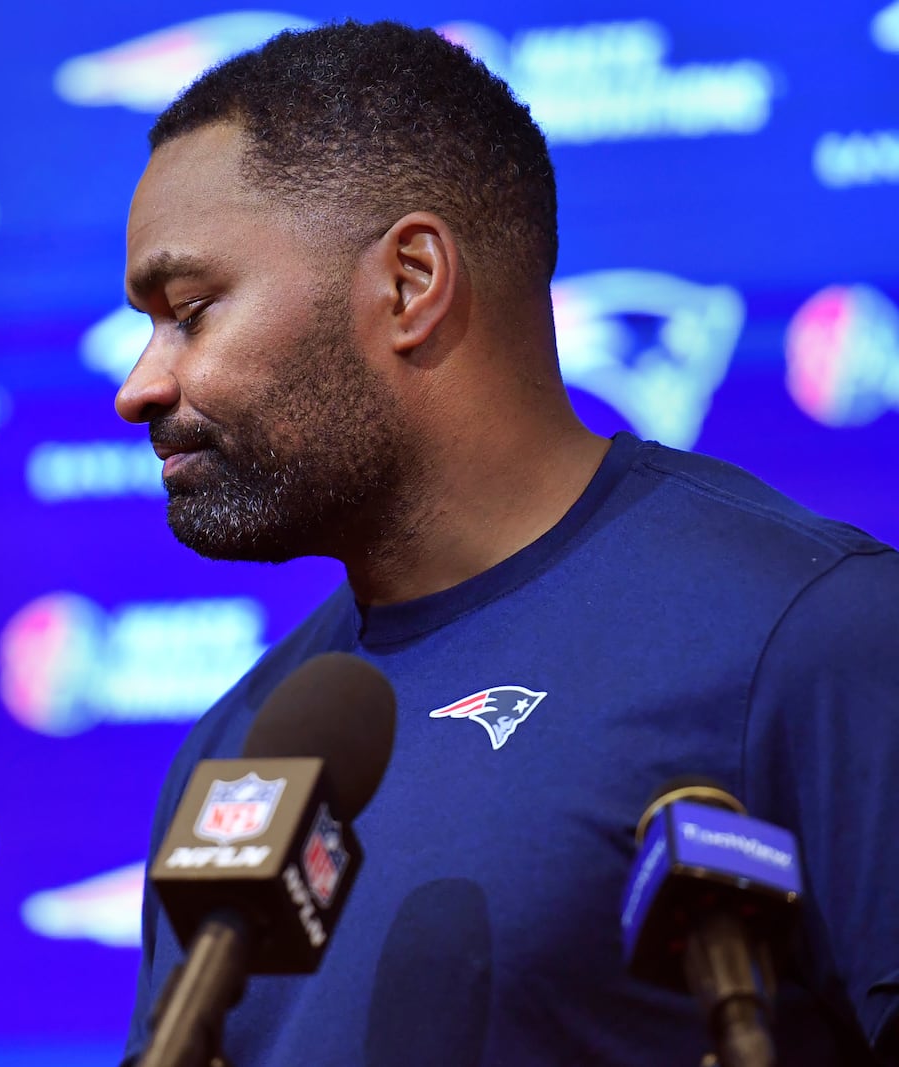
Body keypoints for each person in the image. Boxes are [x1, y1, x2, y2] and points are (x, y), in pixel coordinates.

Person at [114, 19, 899, 1066]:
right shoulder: (243, 745)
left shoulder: (813, 634)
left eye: (189, 310)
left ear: (409, 282)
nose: (140, 386)